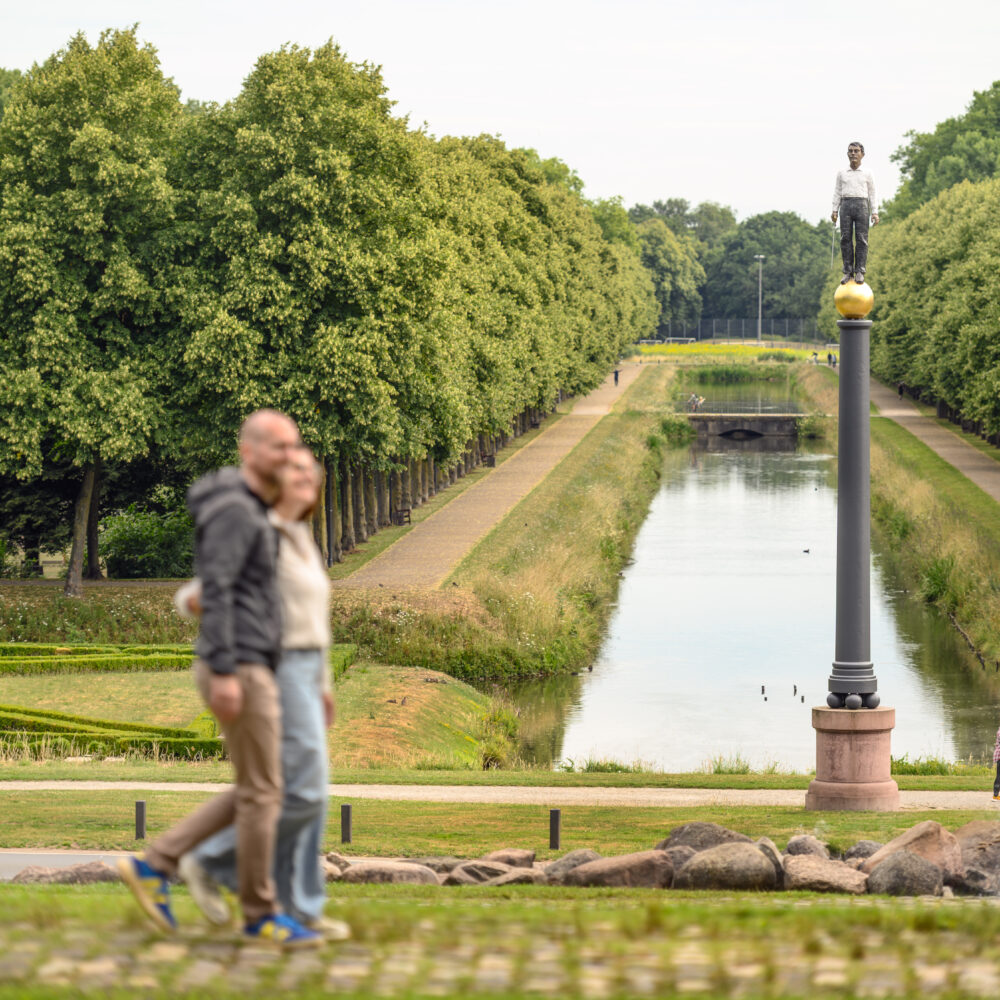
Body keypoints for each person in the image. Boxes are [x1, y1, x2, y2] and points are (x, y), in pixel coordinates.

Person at [118, 410, 322, 950]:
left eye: (293, 447)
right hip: (240, 665)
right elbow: (220, 593)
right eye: (279, 447)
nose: (288, 456)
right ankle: (260, 914)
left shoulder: (251, 508)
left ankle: (156, 863)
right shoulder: (235, 510)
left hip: (255, 663)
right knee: (264, 792)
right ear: (249, 450)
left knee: (260, 787)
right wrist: (229, 672)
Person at [181, 446, 346, 939]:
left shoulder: (299, 535)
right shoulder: (259, 528)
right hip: (277, 667)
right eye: (295, 470)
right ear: (275, 480)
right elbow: (201, 593)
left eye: (311, 472)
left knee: (306, 792)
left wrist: (325, 683)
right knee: (302, 791)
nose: (307, 477)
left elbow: (315, 619)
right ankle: (213, 861)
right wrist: (199, 606)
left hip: (306, 667)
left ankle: (301, 907)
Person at [831, 141, 879, 285]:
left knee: (861, 239)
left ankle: (860, 271)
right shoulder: (841, 173)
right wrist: (834, 209)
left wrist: (875, 212)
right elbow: (837, 191)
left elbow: (873, 193)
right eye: (851, 151)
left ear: (862, 154)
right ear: (847, 154)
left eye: (856, 151)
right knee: (845, 238)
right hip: (845, 205)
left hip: (862, 205)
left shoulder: (868, 173)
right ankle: (847, 271)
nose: (853, 154)